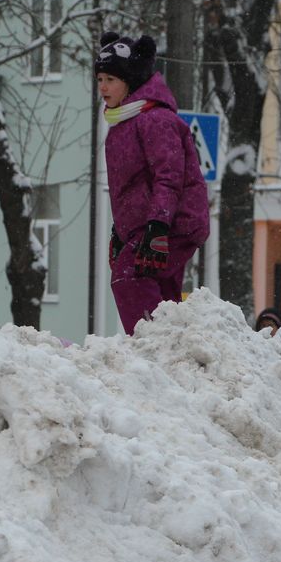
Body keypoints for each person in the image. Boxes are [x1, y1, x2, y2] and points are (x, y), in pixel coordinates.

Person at [95, 31, 210, 335]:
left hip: (174, 222)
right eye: (100, 79)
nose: (103, 87)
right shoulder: (123, 123)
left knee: (129, 277)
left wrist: (158, 227)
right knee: (163, 295)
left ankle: (151, 345)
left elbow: (168, 176)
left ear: (130, 80)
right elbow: (131, 188)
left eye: (111, 79)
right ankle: (174, 351)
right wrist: (121, 232)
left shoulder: (155, 119)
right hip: (147, 225)